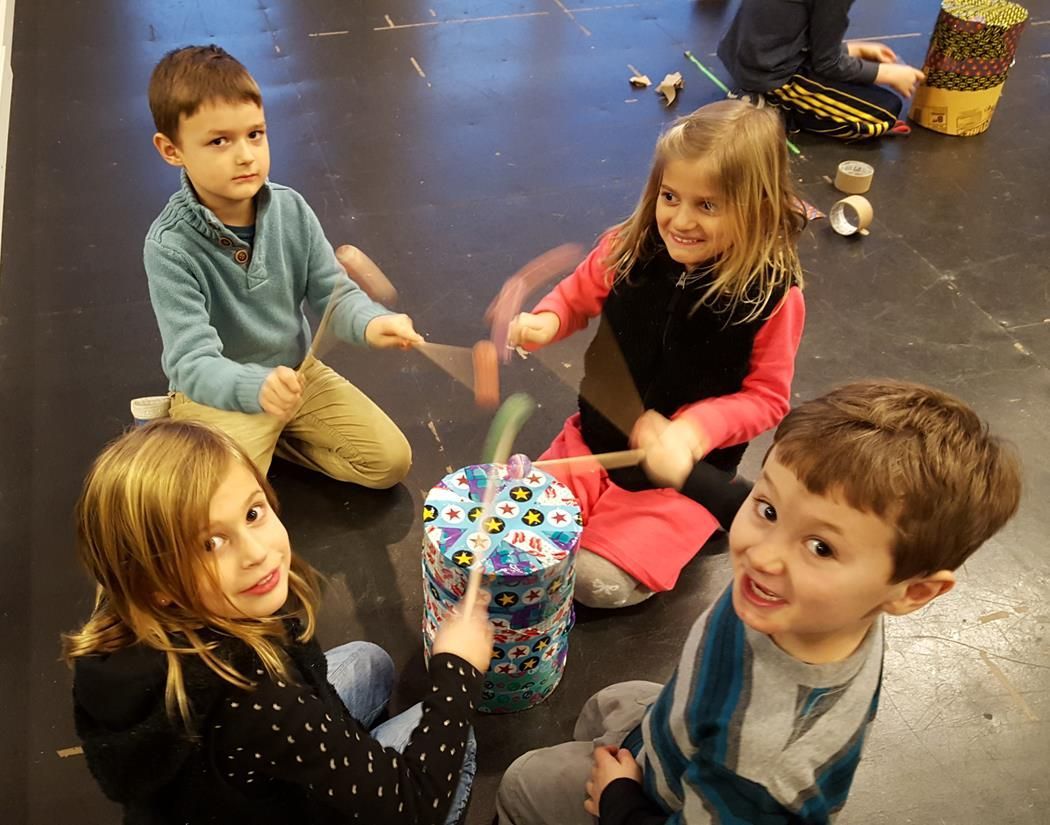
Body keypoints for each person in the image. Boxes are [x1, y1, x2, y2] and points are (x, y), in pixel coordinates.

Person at [496, 379, 1022, 825]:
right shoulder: (836, 599)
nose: (761, 555)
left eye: (821, 547)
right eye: (769, 510)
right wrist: (682, 469)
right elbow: (745, 502)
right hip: (680, 718)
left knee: (523, 781)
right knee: (611, 702)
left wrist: (619, 801)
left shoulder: (766, 761)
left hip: (666, 802)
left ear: (915, 592)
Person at [64, 420, 493, 824]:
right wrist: (458, 670)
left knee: (368, 662)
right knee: (457, 744)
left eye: (252, 514)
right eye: (210, 543)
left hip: (200, 792)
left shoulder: (132, 612)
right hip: (267, 793)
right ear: (154, 580)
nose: (254, 552)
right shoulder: (254, 700)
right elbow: (413, 804)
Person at [507, 99, 806, 608]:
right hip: (592, 442)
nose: (681, 220)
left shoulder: (773, 296)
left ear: (756, 207)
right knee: (515, 539)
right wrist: (546, 322)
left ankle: (701, 515)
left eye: (707, 205)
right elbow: (577, 297)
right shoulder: (626, 246)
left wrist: (691, 433)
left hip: (679, 481)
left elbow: (767, 398)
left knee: (591, 582)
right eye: (670, 196)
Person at [145, 45, 422, 486]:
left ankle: (273, 444)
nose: (245, 156)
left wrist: (372, 323)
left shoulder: (291, 210)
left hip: (296, 376)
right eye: (219, 141)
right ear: (171, 149)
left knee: (389, 462)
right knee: (214, 499)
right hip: (221, 392)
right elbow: (191, 364)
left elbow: (334, 295)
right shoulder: (170, 246)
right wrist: (254, 388)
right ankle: (214, 441)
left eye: (255, 134)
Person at [717, 0, 926, 139]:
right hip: (769, 73)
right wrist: (885, 74)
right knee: (884, 114)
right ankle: (777, 107)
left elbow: (789, 26)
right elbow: (827, 63)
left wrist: (851, 49)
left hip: (744, 53)